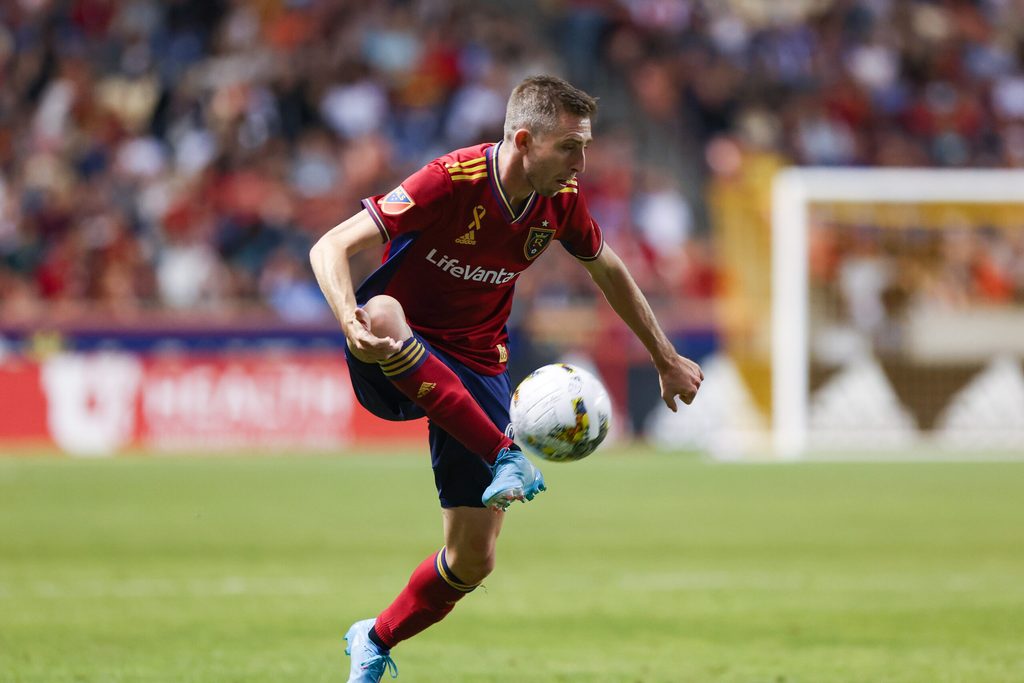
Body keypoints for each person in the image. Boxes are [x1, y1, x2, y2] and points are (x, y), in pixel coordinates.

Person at [310, 75, 703, 682]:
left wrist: (665, 356)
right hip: (390, 353)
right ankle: (504, 453)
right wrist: (346, 318)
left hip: (477, 364)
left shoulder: (560, 198)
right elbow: (330, 246)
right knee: (385, 310)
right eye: (570, 147)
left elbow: (609, 269)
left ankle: (375, 637)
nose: (581, 162)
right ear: (524, 140)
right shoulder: (451, 179)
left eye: (586, 146)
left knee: (473, 559)